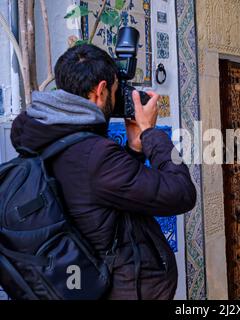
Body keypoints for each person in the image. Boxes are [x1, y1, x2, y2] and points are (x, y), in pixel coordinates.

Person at [10, 44, 197, 299]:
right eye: (116, 91)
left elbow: (106, 195)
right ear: (100, 90)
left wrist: (134, 148)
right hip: (120, 289)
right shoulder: (94, 155)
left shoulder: (45, 138)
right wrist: (151, 133)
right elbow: (181, 193)